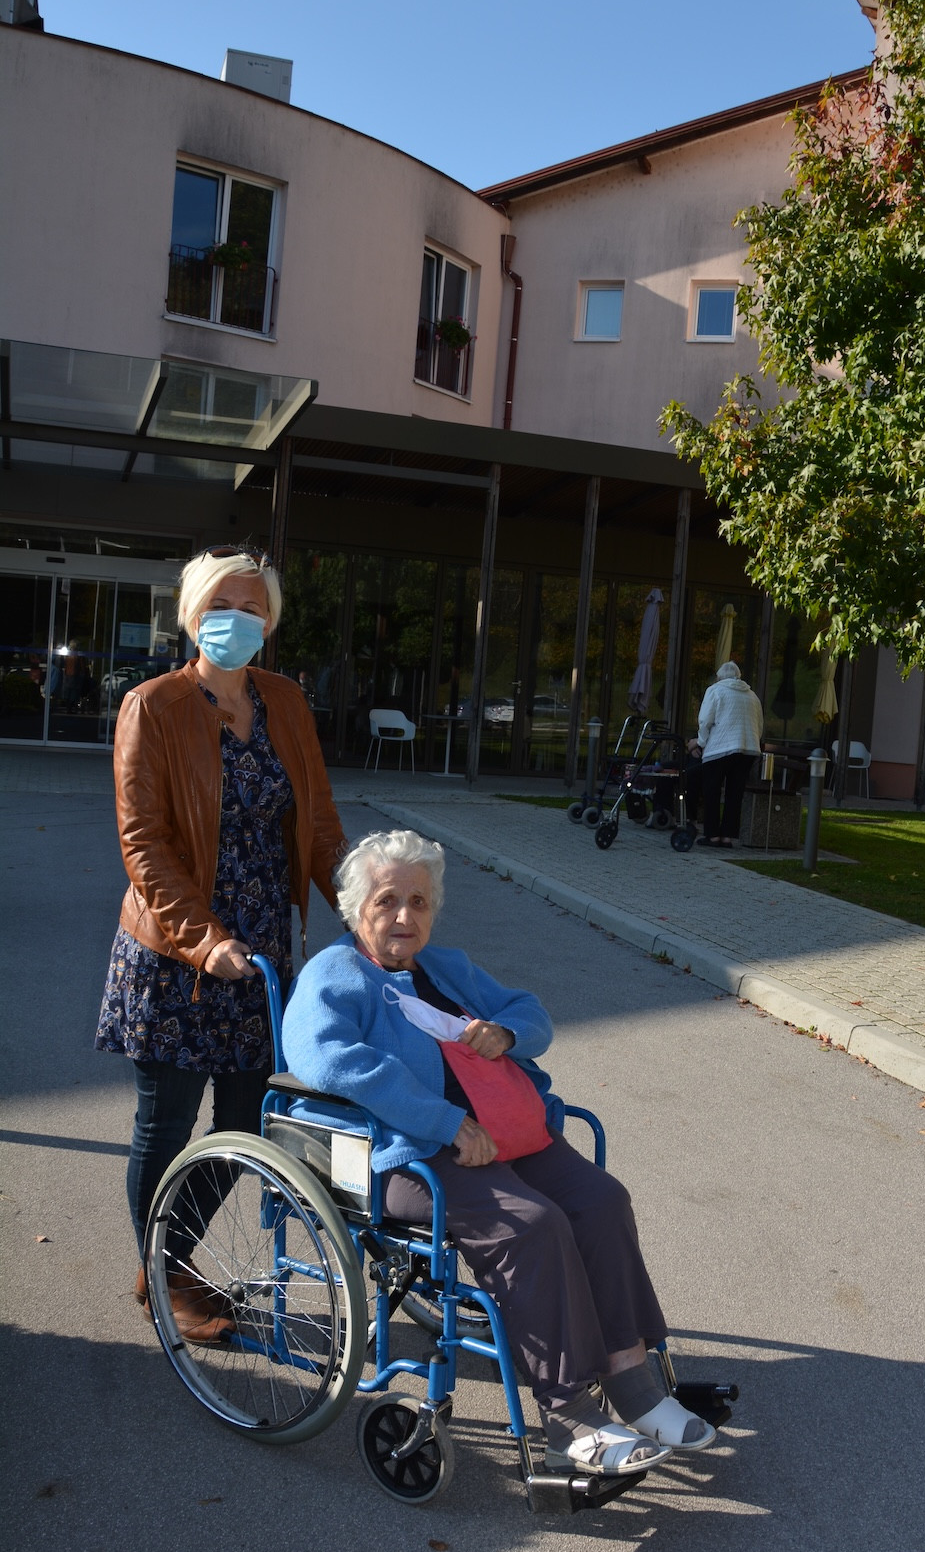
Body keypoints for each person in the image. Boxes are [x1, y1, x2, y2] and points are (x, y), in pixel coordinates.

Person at [281, 828, 715, 1477]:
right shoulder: (334, 975)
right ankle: (569, 1413)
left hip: (505, 1134)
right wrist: (445, 1120)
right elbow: (328, 1060)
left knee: (601, 1201)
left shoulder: (444, 968)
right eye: (387, 901)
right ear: (355, 908)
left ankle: (633, 1382)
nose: (404, 916)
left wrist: (506, 1033)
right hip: (410, 1154)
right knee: (531, 1225)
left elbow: (529, 1011)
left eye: (419, 902)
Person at [96, 546, 346, 1339]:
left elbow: (319, 822)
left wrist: (365, 904)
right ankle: (169, 1275)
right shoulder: (153, 706)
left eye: (251, 607)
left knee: (243, 1124)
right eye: (219, 605)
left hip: (262, 951)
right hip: (178, 955)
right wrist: (204, 940)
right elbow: (144, 845)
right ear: (192, 614)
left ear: (269, 621)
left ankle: (165, 1257)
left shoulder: (286, 702)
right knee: (165, 1124)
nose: (235, 619)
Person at [696, 660, 764, 846]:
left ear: (719, 677)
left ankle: (712, 835)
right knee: (735, 793)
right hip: (748, 748)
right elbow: (759, 725)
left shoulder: (715, 690)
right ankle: (728, 836)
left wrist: (701, 742)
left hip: (720, 747)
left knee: (712, 791)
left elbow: (705, 720)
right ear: (738, 676)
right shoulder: (752, 695)